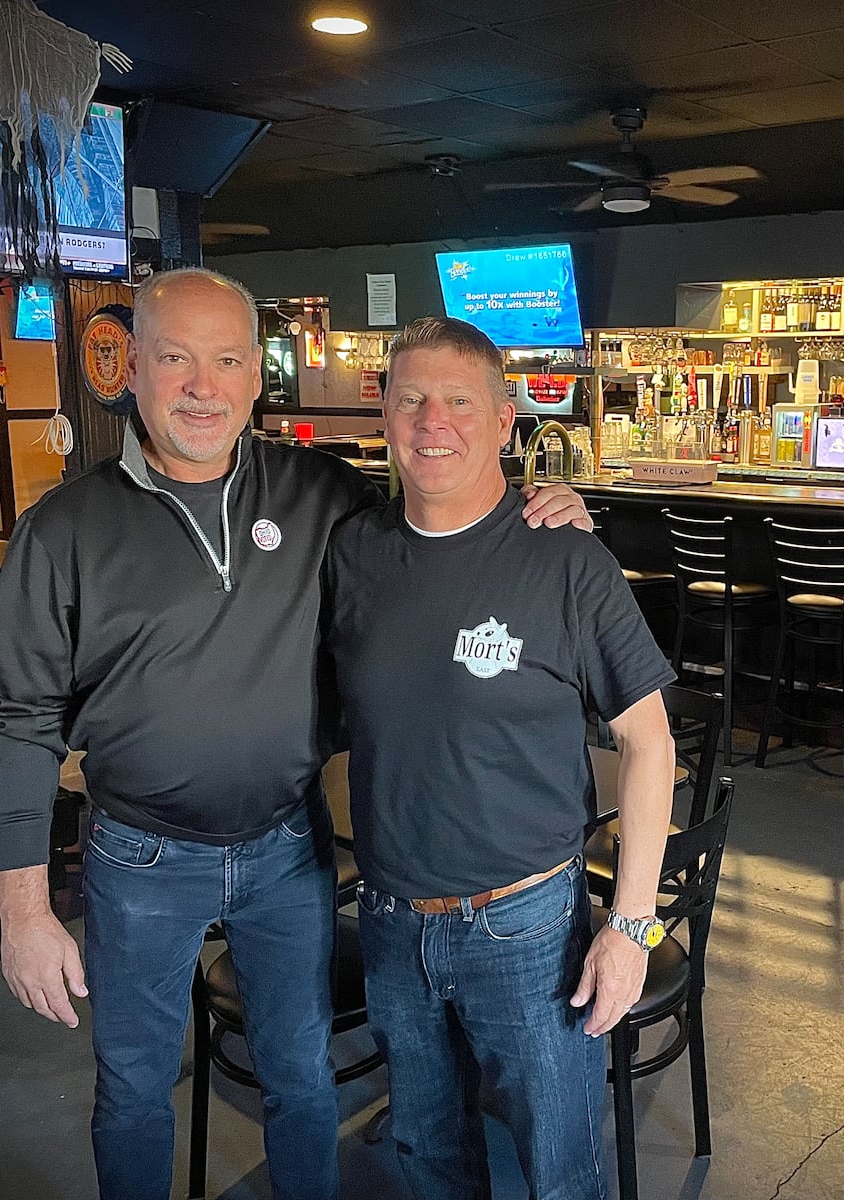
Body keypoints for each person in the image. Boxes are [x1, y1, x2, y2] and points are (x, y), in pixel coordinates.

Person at [0, 268, 589, 1200]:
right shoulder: (64, 528)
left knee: (301, 1081)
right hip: (138, 859)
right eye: (174, 358)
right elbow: (17, 719)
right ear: (131, 369)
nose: (201, 386)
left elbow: (441, 524)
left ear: (258, 376)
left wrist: (548, 518)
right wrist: (23, 911)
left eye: (226, 360)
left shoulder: (320, 493)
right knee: (135, 1090)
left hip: (287, 852)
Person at [326, 316, 677, 1199]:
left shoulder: (565, 557)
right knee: (429, 1158)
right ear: (385, 415)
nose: (431, 422)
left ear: (505, 421)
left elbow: (650, 742)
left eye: (457, 402)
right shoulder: (352, 552)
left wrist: (631, 927)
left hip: (526, 927)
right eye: (410, 400)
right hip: (390, 919)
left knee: (559, 1175)